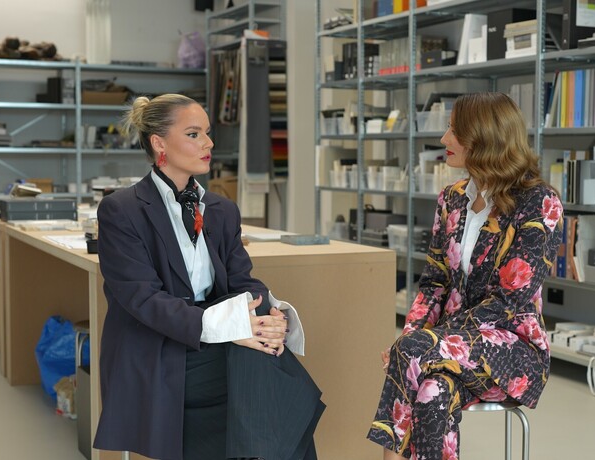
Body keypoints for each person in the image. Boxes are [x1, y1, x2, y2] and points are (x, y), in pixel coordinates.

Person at [93, 94, 324, 460]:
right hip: (158, 346)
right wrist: (231, 328)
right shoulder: (121, 210)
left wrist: (271, 316)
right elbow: (144, 300)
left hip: (211, 340)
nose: (209, 143)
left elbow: (242, 279)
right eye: (194, 134)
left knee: (263, 356)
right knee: (268, 370)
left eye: (207, 132)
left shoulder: (221, 210)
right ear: (159, 143)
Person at [367, 92, 563, 460]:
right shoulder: (451, 198)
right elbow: (434, 283)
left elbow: (508, 302)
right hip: (449, 347)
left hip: (512, 350)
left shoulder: (539, 202)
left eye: (454, 131)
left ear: (484, 137)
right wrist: (417, 335)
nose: (444, 138)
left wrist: (423, 343)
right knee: (433, 391)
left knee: (409, 351)